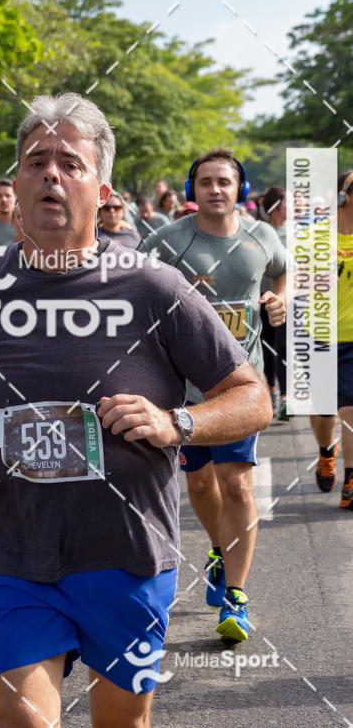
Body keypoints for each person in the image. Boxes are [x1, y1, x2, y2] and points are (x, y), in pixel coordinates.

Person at [0, 93, 271, 727]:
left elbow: (251, 397)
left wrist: (177, 422)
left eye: (70, 163)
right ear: (16, 183)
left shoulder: (154, 286)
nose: (51, 173)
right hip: (15, 556)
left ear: (101, 188)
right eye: (36, 160)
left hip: (127, 557)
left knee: (120, 722)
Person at [140, 148, 288, 643]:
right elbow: (135, 286)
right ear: (192, 191)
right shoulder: (166, 241)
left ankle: (236, 598)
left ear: (240, 190)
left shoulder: (262, 236)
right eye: (205, 182)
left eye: (225, 182)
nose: (216, 190)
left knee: (239, 486)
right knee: (202, 489)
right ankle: (220, 551)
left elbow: (283, 272)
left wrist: (279, 297)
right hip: (183, 392)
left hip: (240, 388)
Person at [308, 169, 353, 506]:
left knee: (350, 409)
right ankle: (326, 451)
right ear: (341, 194)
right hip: (320, 334)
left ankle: (350, 479)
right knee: (325, 411)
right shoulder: (316, 237)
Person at [259, 187, 288, 419]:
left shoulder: (296, 232)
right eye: (288, 201)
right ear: (278, 205)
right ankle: (271, 393)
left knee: (284, 348)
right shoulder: (261, 232)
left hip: (286, 302)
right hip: (260, 301)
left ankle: (287, 396)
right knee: (266, 348)